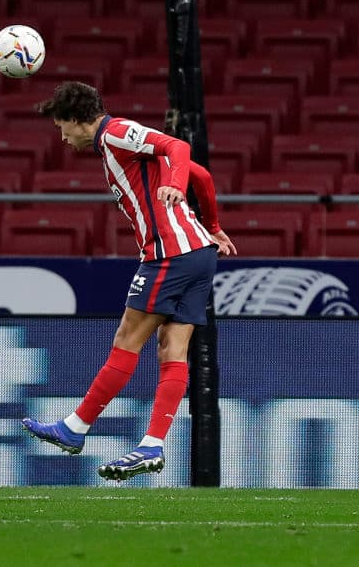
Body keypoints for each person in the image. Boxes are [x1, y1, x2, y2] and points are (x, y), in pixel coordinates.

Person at [21, 81, 237, 482]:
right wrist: (212, 227)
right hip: (199, 253)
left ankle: (75, 427)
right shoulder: (123, 150)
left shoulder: (116, 133)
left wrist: (174, 185)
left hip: (169, 254)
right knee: (173, 348)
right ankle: (151, 445)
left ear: (77, 119)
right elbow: (204, 177)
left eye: (62, 128)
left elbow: (178, 146)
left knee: (127, 339)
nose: (63, 138)